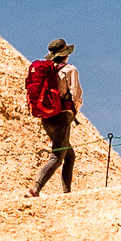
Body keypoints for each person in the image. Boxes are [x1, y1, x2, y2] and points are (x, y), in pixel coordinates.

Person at [25, 38, 84, 197]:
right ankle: (35, 189)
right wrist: (73, 112)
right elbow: (76, 94)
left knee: (69, 155)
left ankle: (67, 192)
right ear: (65, 54)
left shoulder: (46, 70)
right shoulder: (70, 70)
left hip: (46, 117)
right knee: (57, 156)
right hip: (62, 117)